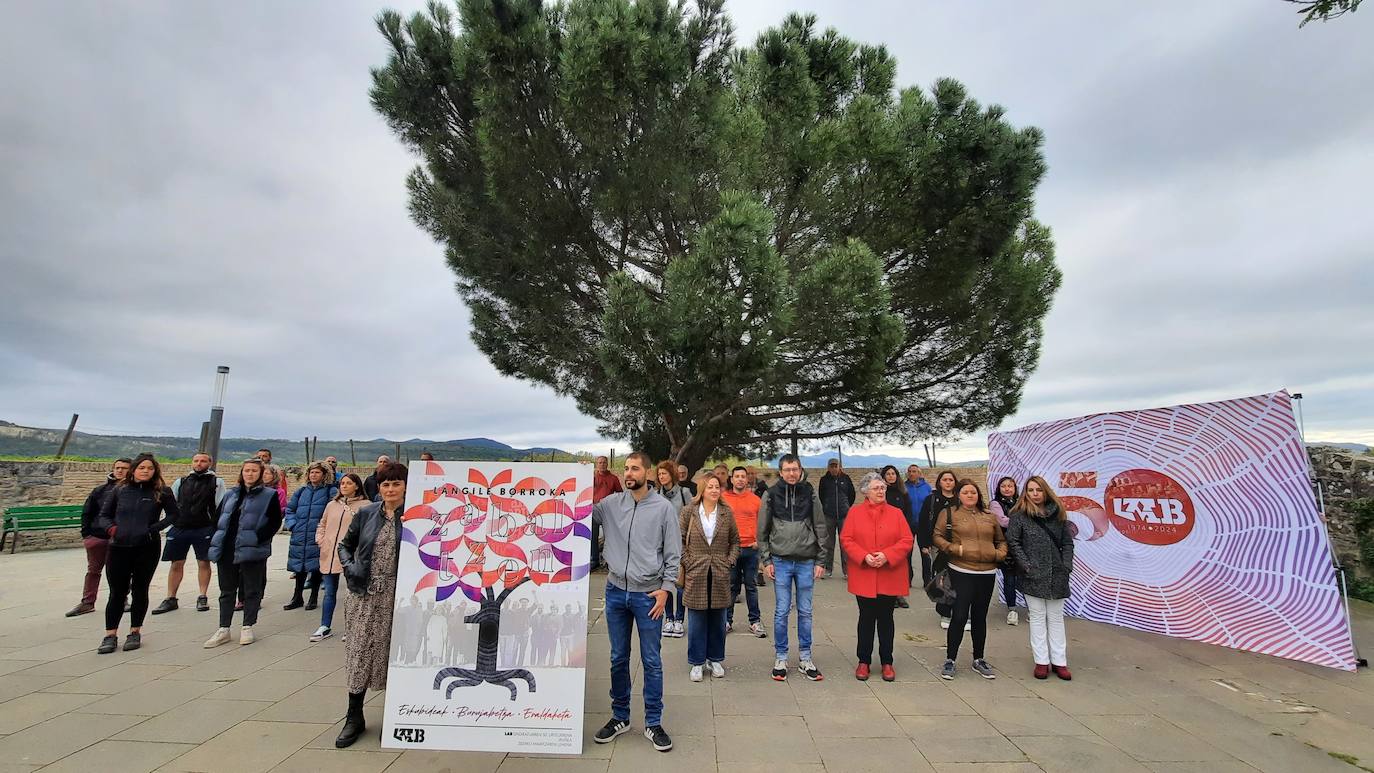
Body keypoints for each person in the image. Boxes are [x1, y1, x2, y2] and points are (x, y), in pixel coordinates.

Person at [591, 451, 679, 753]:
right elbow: (579, 511)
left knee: (652, 660)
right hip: (615, 591)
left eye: (635, 469)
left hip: (648, 596)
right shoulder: (611, 505)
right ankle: (620, 717)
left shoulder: (664, 508)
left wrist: (666, 589)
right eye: (626, 468)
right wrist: (574, 479)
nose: (629, 473)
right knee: (618, 657)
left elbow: (673, 554)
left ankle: (653, 722)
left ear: (648, 472)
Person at [334, 461, 409, 748]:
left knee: (393, 652)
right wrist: (352, 569)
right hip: (364, 594)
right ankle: (354, 715)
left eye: (396, 483)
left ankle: (395, 713)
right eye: (385, 484)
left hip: (396, 595)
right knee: (360, 651)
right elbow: (345, 545)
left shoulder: (415, 517)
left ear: (405, 486)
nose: (390, 489)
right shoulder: (366, 513)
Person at [92, 454, 179, 653]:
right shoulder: (119, 490)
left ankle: (135, 631)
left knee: (140, 589)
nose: (145, 471)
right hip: (119, 546)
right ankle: (110, 634)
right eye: (141, 468)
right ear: (134, 470)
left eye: (149, 468)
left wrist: (153, 528)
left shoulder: (161, 492)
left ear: (155, 471)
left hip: (146, 546)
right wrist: (112, 530)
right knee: (117, 592)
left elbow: (174, 514)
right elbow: (104, 515)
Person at [758, 454, 830, 682]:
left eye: (795, 469)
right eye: (787, 469)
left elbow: (820, 525)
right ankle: (781, 656)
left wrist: (822, 560)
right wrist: (766, 560)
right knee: (781, 611)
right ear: (780, 472)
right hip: (780, 560)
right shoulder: (770, 494)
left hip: (806, 560)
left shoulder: (810, 492)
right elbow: (762, 530)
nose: (791, 473)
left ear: (800, 470)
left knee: (806, 612)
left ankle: (805, 657)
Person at [841, 472, 913, 682]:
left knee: (886, 619)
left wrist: (887, 555)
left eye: (882, 488)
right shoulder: (855, 513)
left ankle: (887, 661)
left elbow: (906, 540)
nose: (881, 491)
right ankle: (863, 660)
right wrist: (864, 556)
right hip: (864, 573)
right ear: (866, 491)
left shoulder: (896, 513)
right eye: (876, 488)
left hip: (888, 573)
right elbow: (846, 539)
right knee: (865, 618)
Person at [933, 479, 1007, 681]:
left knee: (979, 617)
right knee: (959, 615)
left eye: (973, 492)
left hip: (986, 573)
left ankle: (979, 658)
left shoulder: (989, 516)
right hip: (961, 570)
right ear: (959, 494)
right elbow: (938, 536)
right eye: (965, 492)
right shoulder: (949, 513)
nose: (970, 495)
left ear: (978, 494)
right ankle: (950, 659)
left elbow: (1001, 540)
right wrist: (955, 549)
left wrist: (998, 554)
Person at [204, 458, 283, 648]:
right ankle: (224, 627)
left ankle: (247, 625)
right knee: (227, 589)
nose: (250, 474)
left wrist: (258, 538)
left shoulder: (268, 495)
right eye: (247, 470)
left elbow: (274, 522)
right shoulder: (231, 494)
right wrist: (215, 538)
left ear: (261, 473)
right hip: (228, 547)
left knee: (251, 588)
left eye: (254, 471)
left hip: (252, 548)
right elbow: (217, 519)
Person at [1006, 476, 1074, 681]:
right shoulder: (1019, 515)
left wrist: (1066, 565)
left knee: (1055, 617)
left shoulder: (1058, 514)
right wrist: (1026, 566)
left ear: (1046, 491)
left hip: (1057, 573)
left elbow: (1067, 543)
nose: (1035, 494)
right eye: (1030, 490)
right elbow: (1013, 541)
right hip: (1032, 574)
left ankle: (1060, 661)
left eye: (1038, 490)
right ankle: (1041, 661)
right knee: (1036, 616)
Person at [678, 474, 740, 682]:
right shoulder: (689, 512)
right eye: (710, 487)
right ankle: (696, 662)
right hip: (696, 571)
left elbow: (735, 542)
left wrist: (729, 561)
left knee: (718, 618)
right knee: (696, 620)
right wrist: (687, 561)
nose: (714, 490)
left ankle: (715, 659)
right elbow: (678, 540)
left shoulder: (726, 513)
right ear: (702, 490)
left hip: (720, 571)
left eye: (717, 487)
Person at [151, 452, 224, 615]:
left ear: (209, 463)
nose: (199, 463)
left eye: (203, 461)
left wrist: (216, 527)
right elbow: (172, 503)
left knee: (203, 562)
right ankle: (171, 597)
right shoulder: (181, 481)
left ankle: (202, 595)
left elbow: (220, 506)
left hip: (203, 527)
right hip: (180, 527)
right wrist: (169, 525)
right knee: (176, 563)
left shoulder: (216, 482)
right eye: (196, 460)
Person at [68, 458, 131, 617]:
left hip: (120, 538)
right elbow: (87, 512)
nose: (120, 471)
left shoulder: (133, 491)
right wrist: (87, 535)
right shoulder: (100, 490)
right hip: (97, 537)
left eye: (124, 468)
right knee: (93, 571)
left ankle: (121, 599)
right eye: (117, 467)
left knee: (119, 571)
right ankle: (87, 602)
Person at [312, 472, 368, 642]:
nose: (344, 486)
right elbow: (322, 524)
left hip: (351, 555)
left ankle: (351, 627)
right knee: (329, 591)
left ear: (357, 485)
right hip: (330, 553)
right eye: (342, 483)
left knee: (353, 593)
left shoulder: (366, 506)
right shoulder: (332, 505)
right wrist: (321, 540)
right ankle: (324, 625)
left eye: (348, 483)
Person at [284, 462, 338, 611]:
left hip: (318, 535)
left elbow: (333, 512)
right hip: (300, 534)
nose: (313, 475)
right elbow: (290, 509)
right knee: (299, 567)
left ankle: (313, 597)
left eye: (317, 473)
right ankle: (297, 597)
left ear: (324, 475)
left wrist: (325, 530)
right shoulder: (301, 492)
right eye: (311, 472)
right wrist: (292, 524)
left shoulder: (331, 492)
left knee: (315, 567)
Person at [722, 466, 766, 638]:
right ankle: (727, 620)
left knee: (751, 586)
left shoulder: (755, 500)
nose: (740, 479)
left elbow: (762, 523)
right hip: (731, 550)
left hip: (751, 549)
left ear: (747, 480)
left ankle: (754, 621)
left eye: (743, 476)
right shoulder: (723, 499)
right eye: (737, 476)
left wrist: (759, 541)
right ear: (731, 479)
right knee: (731, 586)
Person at [917, 469, 960, 623]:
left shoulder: (960, 499)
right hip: (938, 545)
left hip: (958, 544)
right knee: (942, 577)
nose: (948, 482)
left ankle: (959, 610)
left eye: (951, 480)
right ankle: (944, 612)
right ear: (939, 482)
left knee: (959, 578)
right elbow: (923, 522)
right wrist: (924, 544)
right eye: (945, 480)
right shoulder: (931, 499)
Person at [655, 462, 691, 638]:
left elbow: (693, 518)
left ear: (672, 475)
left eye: (664, 473)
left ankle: (679, 620)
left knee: (680, 584)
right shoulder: (654, 495)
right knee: (665, 583)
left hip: (681, 545)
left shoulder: (684, 494)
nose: (662, 476)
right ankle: (668, 618)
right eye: (659, 474)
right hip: (661, 545)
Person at [879, 465, 914, 607]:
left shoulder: (903, 492)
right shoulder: (882, 493)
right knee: (887, 565)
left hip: (900, 533)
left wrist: (908, 531)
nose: (891, 476)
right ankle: (889, 596)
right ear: (884, 476)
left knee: (901, 564)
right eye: (888, 474)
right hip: (885, 534)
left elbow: (908, 513)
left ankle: (899, 595)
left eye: (893, 473)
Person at [991, 476, 1022, 626]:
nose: (1007, 488)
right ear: (999, 488)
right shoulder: (995, 504)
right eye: (1004, 486)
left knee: (1026, 578)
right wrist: (1024, 520)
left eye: (1010, 486)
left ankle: (1032, 609)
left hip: (1023, 546)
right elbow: (1002, 521)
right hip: (1007, 547)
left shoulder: (1021, 502)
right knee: (1009, 579)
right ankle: (1012, 610)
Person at [819, 459, 855, 579]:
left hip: (844, 515)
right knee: (828, 543)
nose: (834, 468)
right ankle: (828, 569)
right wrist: (827, 506)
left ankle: (847, 571)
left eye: (836, 466)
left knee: (845, 543)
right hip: (829, 515)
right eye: (831, 466)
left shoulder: (846, 479)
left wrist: (846, 506)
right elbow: (821, 496)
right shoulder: (824, 480)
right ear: (828, 467)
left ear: (839, 467)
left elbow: (852, 495)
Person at [591, 455, 622, 570]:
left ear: (607, 464)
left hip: (608, 511)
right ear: (596, 464)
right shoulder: (592, 477)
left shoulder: (613, 478)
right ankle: (594, 560)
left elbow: (620, 494)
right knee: (593, 536)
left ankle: (608, 561)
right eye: (600, 462)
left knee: (609, 537)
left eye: (604, 462)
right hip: (593, 509)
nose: (602, 464)